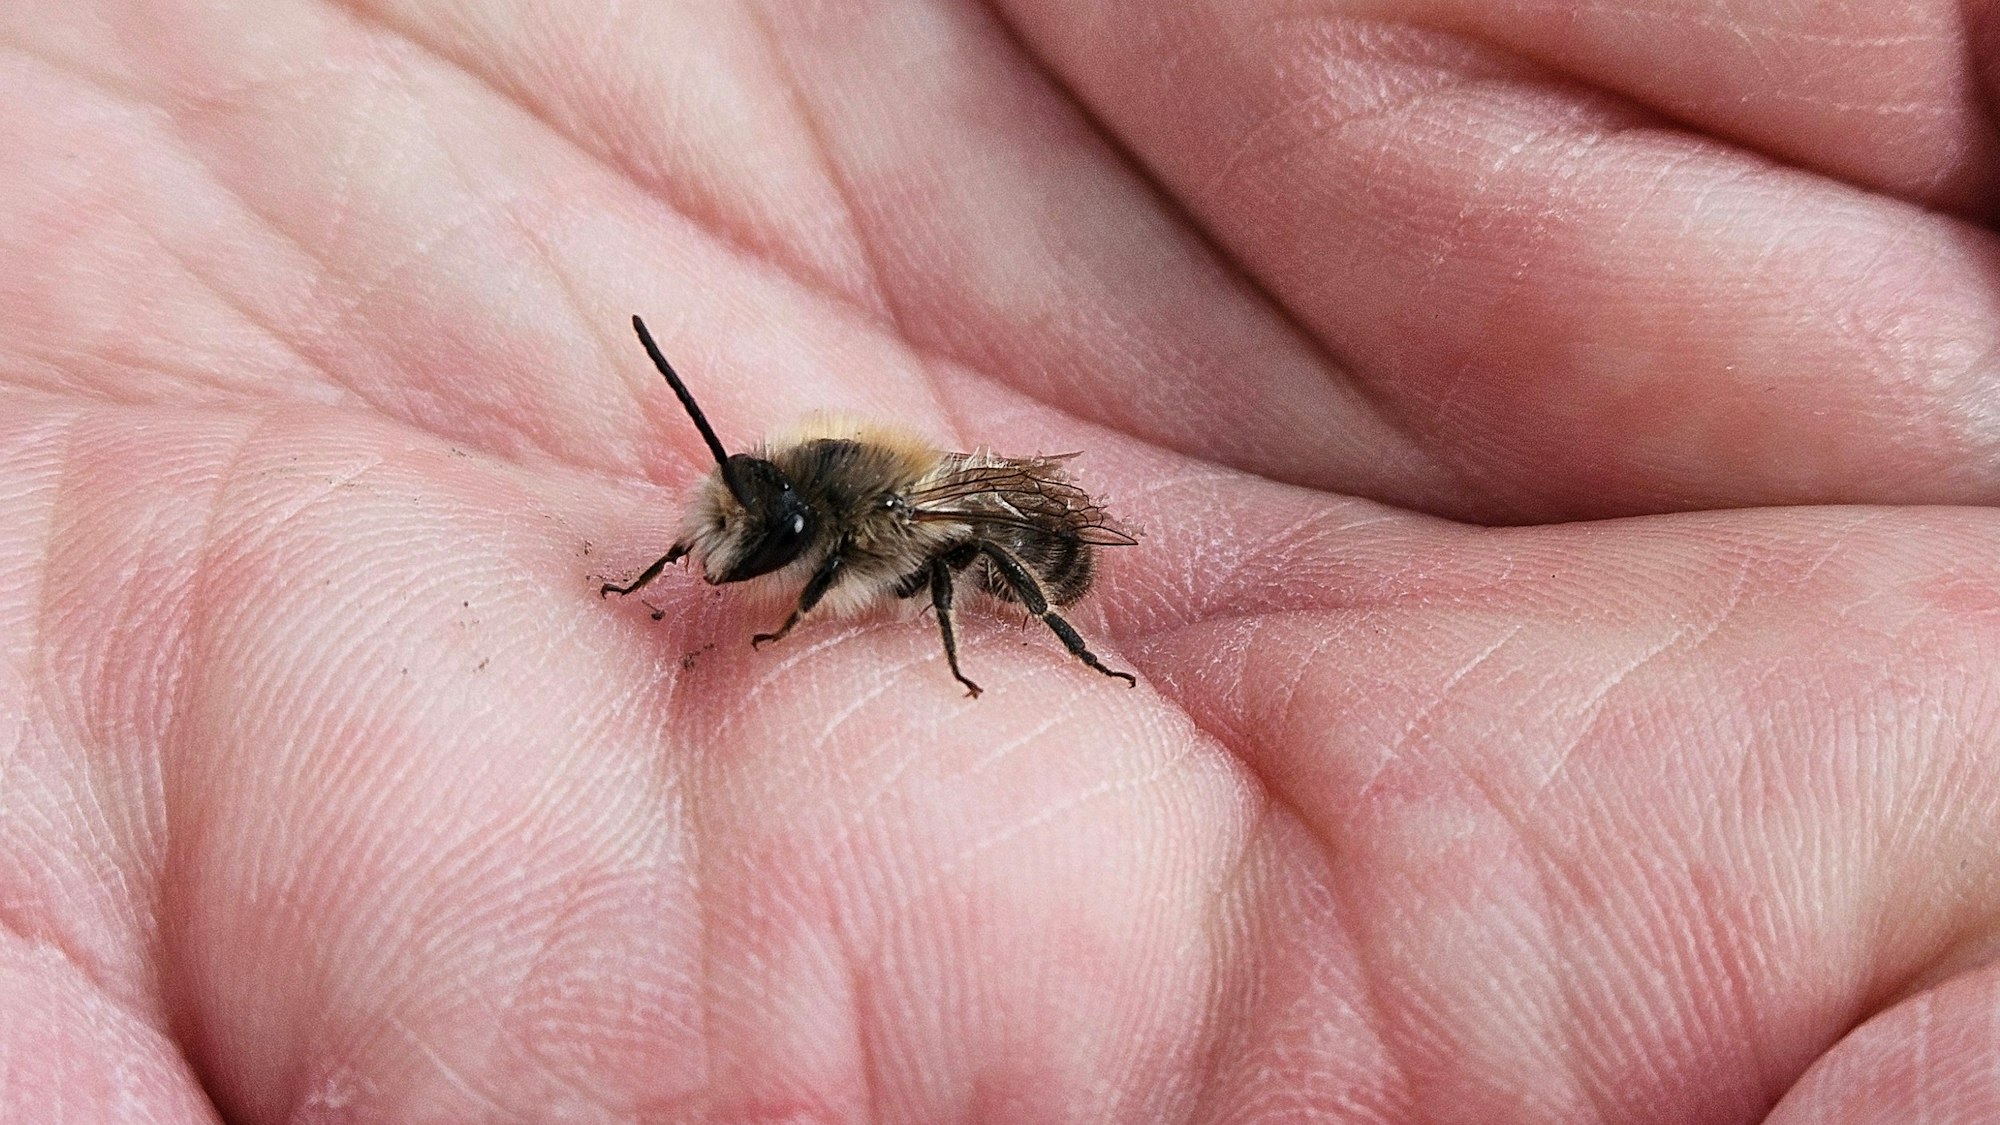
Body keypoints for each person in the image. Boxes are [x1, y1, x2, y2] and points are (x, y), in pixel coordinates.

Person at [4, 0, 1996, 1118]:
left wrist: (983, 655)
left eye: (760, 538)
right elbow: (734, 519)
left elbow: (886, 547)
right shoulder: (784, 492)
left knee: (952, 589)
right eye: (732, 536)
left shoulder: (890, 525)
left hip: (1027, 529)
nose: (734, 549)